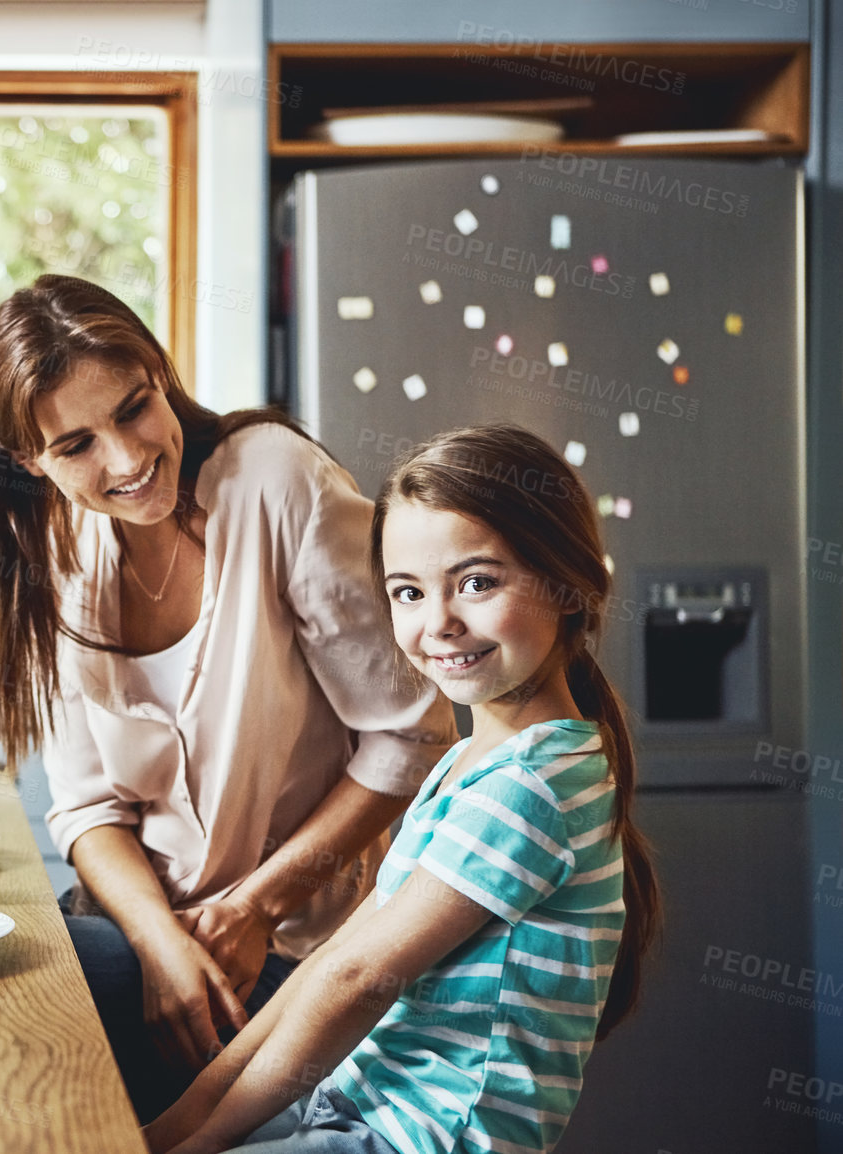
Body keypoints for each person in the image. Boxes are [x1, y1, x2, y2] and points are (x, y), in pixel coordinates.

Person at [0, 275, 455, 1120]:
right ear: (27, 461)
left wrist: (255, 906)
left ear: (159, 370)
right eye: (75, 446)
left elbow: (411, 737)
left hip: (301, 952)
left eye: (132, 407)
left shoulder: (276, 481)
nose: (125, 458)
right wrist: (161, 949)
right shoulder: (60, 549)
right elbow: (86, 810)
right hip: (145, 934)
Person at [144, 424, 662, 1154]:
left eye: (478, 582)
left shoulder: (534, 784)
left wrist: (189, 1148)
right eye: (408, 592)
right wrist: (187, 1115)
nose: (439, 624)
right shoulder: (466, 763)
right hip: (355, 1105)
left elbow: (357, 979)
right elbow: (332, 958)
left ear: (568, 584)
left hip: (425, 1138)